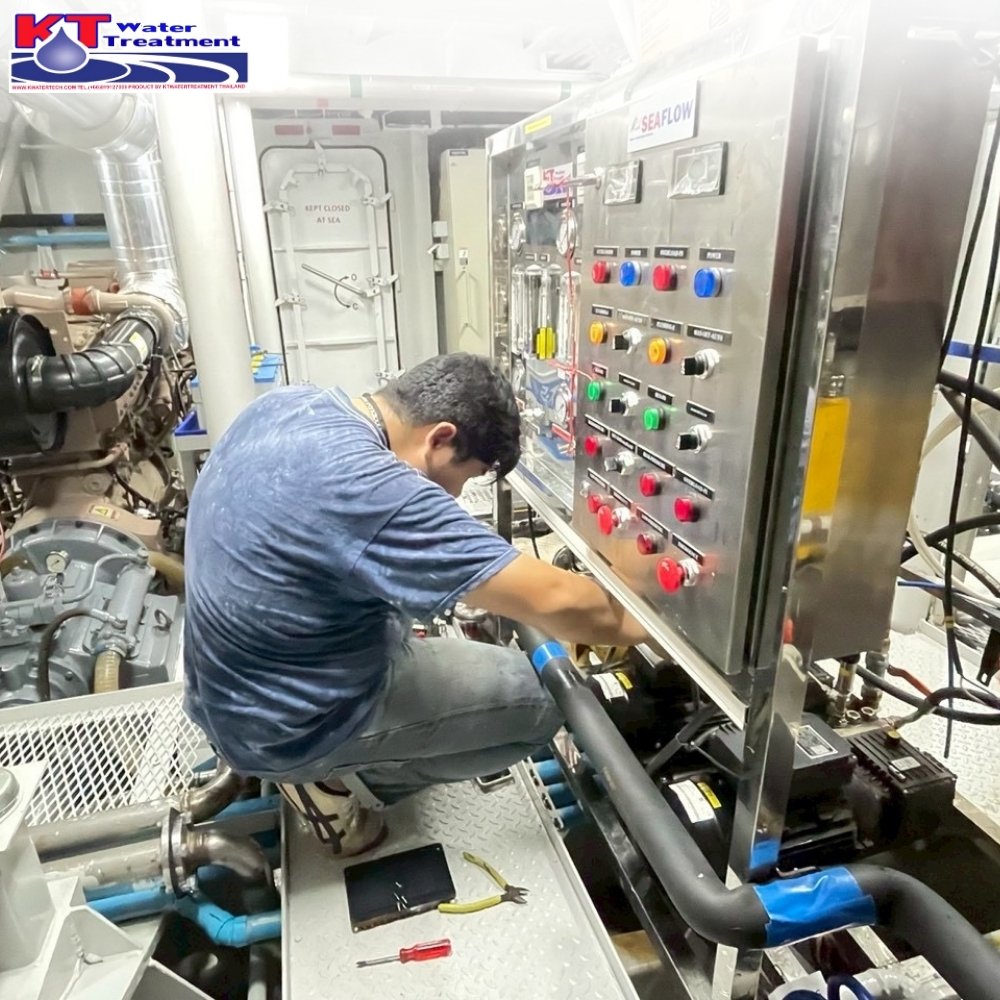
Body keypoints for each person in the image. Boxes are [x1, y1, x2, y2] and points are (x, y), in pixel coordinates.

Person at [182, 353, 648, 855]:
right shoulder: (371, 488)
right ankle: (331, 785)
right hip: (289, 726)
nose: (456, 495)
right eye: (464, 477)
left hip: (226, 694)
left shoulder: (292, 404)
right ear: (440, 438)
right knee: (548, 703)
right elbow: (561, 602)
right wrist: (672, 621)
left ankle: (298, 763)